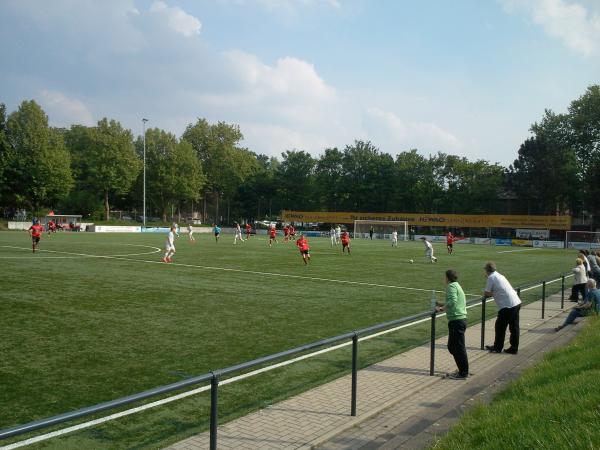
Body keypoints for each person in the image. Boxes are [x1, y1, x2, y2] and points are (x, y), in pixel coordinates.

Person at [436, 269, 469, 379]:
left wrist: (442, 308)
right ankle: (462, 370)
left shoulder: (451, 287)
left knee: (457, 347)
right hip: (459, 320)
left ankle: (463, 372)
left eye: (444, 277)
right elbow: (454, 300)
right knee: (453, 347)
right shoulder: (456, 285)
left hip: (457, 321)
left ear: (447, 278)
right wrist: (441, 304)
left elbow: (453, 301)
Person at [483, 262, 522, 354]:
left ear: (487, 270)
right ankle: (514, 348)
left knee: (500, 327)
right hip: (516, 302)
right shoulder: (500, 275)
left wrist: (494, 293)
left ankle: (498, 347)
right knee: (514, 327)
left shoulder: (491, 278)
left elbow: (486, 293)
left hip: (507, 306)